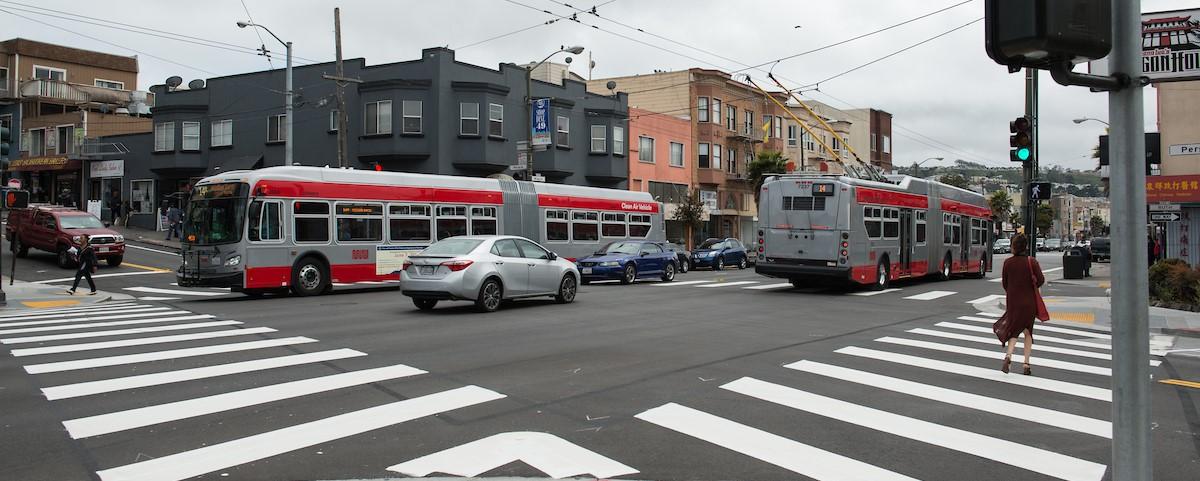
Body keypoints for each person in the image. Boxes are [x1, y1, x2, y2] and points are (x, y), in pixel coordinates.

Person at [999, 233, 1045, 375]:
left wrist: (1012, 292)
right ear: (1025, 247)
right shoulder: (1032, 262)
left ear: (1013, 246)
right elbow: (1041, 280)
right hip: (1029, 302)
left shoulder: (1007, 263)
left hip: (1013, 302)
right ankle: (1026, 364)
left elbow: (1005, 283)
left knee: (1014, 330)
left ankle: (1008, 356)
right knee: (1028, 332)